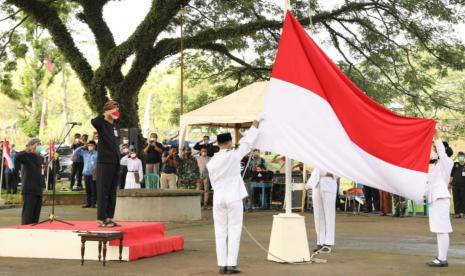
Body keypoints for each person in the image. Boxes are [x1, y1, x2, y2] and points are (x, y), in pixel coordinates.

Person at [207, 120, 260, 275]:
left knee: (220, 230)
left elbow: (212, 183)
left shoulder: (212, 162)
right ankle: (232, 264)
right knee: (234, 229)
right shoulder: (233, 155)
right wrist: (254, 127)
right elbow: (247, 142)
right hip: (233, 196)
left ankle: (222, 264)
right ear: (229, 142)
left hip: (218, 197)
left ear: (217, 143)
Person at [91, 100, 121, 228]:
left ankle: (109, 217)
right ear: (108, 110)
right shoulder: (101, 123)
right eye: (114, 110)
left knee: (112, 191)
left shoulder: (114, 126)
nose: (116, 113)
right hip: (104, 161)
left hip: (115, 161)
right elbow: (94, 121)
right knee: (103, 190)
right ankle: (101, 218)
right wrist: (106, 113)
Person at [426, 139, 454, 267]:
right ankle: (441, 257)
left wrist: (435, 137)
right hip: (435, 199)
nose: (434, 151)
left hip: (441, 198)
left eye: (436, 149)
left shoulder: (447, 162)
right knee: (439, 230)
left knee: (442, 229)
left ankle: (442, 259)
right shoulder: (437, 165)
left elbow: (441, 152)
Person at [306, 168, 340, 253]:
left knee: (329, 215)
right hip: (316, 185)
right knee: (318, 216)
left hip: (329, 184)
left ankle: (328, 243)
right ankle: (320, 242)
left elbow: (339, 171)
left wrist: (329, 173)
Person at [15, 138, 44, 225]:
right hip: (29, 189)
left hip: (38, 188)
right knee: (28, 213)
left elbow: (43, 160)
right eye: (37, 144)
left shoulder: (39, 157)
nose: (39, 146)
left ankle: (34, 230)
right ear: (32, 145)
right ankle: (25, 230)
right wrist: (28, 149)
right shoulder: (25, 156)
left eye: (40, 144)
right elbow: (17, 156)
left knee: (36, 214)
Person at [75, 141, 98, 208]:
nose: (90, 146)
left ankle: (93, 203)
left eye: (92, 145)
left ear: (94, 146)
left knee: (93, 189)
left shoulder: (97, 154)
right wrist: (82, 146)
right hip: (86, 173)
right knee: (87, 189)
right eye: (89, 145)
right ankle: (88, 203)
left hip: (93, 173)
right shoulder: (85, 153)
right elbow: (76, 152)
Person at [451, 151, 465, 218]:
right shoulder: (455, 164)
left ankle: (462, 212)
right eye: (459, 156)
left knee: (463, 199)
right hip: (455, 185)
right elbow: (452, 174)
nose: (460, 158)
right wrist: (455, 157)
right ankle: (457, 213)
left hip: (463, 186)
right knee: (456, 199)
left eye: (462, 156)